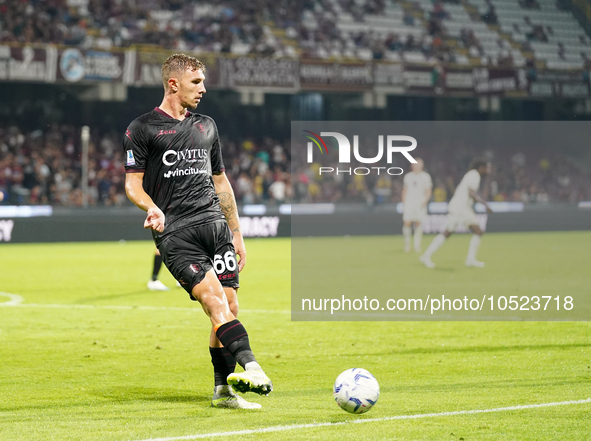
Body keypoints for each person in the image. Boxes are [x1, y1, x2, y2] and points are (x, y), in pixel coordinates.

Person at [123, 53, 272, 409]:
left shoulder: (207, 126)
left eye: (203, 81)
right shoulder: (142, 128)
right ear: (173, 83)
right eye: (196, 82)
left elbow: (220, 182)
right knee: (214, 300)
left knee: (231, 303)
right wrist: (152, 207)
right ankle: (252, 366)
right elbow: (133, 185)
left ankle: (223, 392)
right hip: (177, 233)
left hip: (216, 227)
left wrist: (236, 232)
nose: (203, 89)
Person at [420, 159, 493, 268]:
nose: (488, 170)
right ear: (481, 168)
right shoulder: (474, 175)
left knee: (477, 231)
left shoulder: (471, 174)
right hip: (459, 208)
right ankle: (426, 256)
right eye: (487, 168)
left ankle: (470, 259)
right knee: (448, 233)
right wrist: (484, 204)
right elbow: (471, 191)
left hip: (463, 208)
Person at [401, 158, 432, 253]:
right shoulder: (408, 176)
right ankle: (407, 245)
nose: (416, 166)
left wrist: (425, 200)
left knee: (418, 223)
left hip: (420, 202)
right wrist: (403, 202)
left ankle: (417, 245)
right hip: (409, 202)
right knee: (407, 222)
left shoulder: (426, 177)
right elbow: (405, 190)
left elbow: (428, 190)